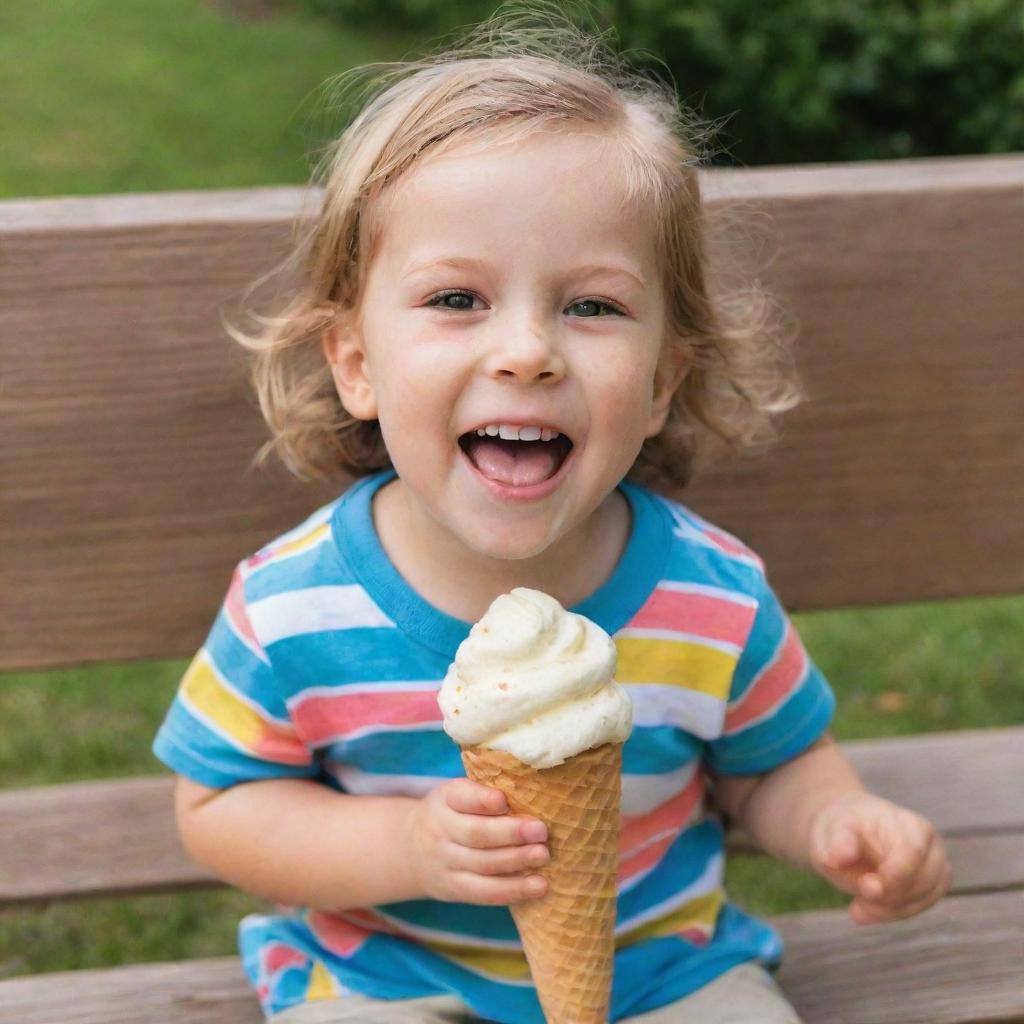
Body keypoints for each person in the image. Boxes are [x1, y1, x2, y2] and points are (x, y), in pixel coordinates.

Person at [152, 4, 951, 1021]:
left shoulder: (709, 595)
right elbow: (220, 804)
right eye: (456, 300)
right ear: (354, 361)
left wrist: (840, 819)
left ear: (662, 380)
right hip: (389, 972)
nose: (527, 351)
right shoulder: (292, 605)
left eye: (592, 305)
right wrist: (406, 849)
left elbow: (774, 765)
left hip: (660, 968)